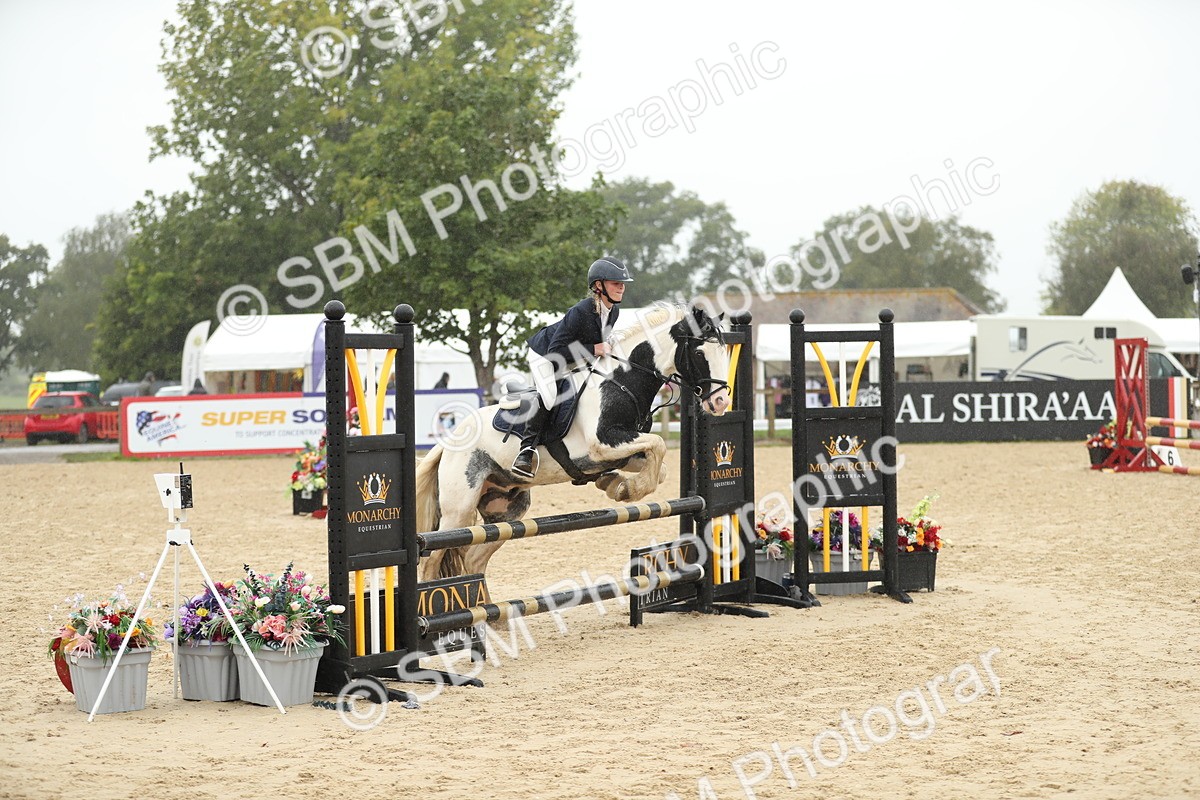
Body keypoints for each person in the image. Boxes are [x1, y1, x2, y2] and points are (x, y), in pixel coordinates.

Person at [510, 256, 633, 479]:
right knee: (550, 396)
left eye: (623, 283)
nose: (621, 288)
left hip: (573, 357)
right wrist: (595, 349)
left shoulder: (613, 312)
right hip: (545, 355)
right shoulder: (582, 310)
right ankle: (525, 451)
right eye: (616, 283)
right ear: (599, 286)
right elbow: (556, 351)